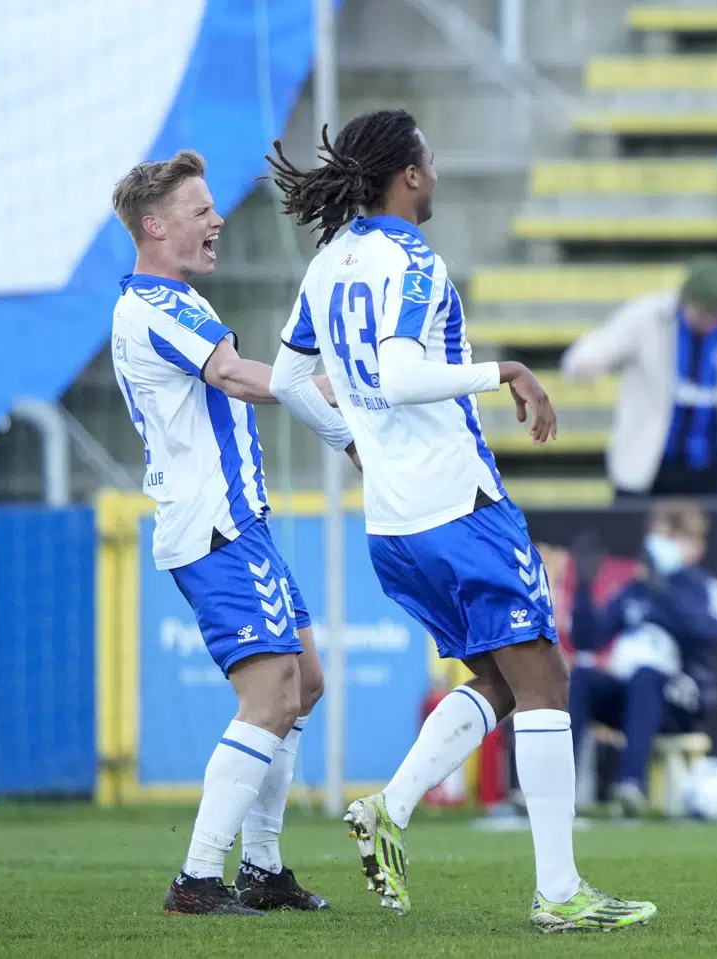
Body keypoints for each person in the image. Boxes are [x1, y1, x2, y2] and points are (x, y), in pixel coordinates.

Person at [264, 109, 655, 932]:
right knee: (546, 677)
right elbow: (404, 373)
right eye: (430, 162)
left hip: (394, 523)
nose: (436, 175)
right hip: (457, 506)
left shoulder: (330, 260)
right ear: (407, 176)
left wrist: (349, 439)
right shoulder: (413, 260)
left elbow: (287, 375)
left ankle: (391, 809)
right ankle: (559, 893)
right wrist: (506, 369)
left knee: (507, 684)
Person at [110, 151, 349, 916]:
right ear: (155, 226)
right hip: (215, 526)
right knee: (271, 692)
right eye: (200, 209)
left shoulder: (161, 302)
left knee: (303, 680)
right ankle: (199, 877)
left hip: (239, 521)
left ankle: (263, 867)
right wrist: (353, 387)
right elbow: (241, 378)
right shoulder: (162, 305)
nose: (217, 220)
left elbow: (243, 379)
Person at [567, 502, 717, 814]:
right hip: (630, 695)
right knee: (583, 677)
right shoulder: (635, 590)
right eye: (658, 537)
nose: (660, 546)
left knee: (646, 675)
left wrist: (664, 592)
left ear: (696, 546)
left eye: (672, 538)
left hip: (682, 698)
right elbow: (588, 640)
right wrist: (584, 588)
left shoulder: (707, 588)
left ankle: (631, 785)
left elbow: (709, 633)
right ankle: (559, 788)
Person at [560, 256, 717, 506]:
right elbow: (598, 347)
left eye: (713, 315)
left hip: (710, 469)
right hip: (646, 464)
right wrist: (584, 364)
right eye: (700, 312)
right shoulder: (648, 316)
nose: (706, 322)